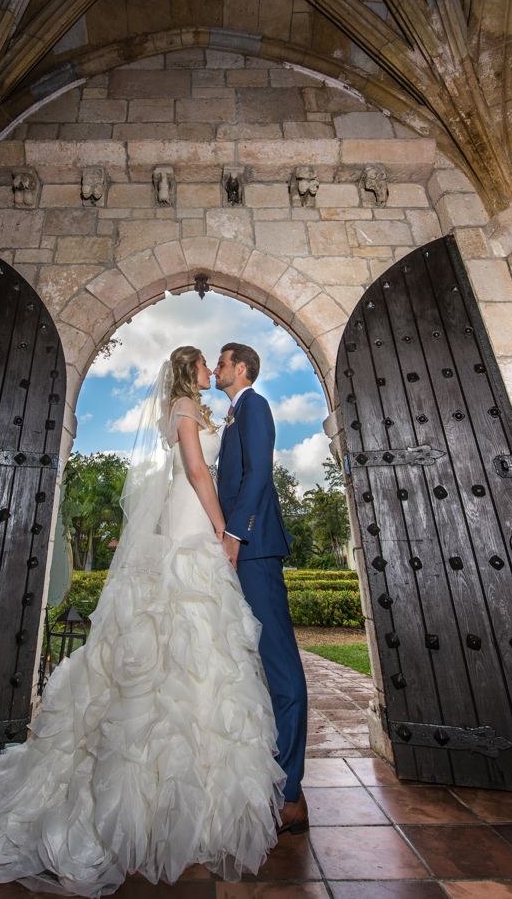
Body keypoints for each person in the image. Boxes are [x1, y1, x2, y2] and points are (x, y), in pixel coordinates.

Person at [0, 346, 285, 896]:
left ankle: (191, 795)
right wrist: (223, 530)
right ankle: (159, 802)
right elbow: (197, 470)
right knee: (182, 632)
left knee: (193, 640)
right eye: (204, 365)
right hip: (193, 521)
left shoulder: (206, 410)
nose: (211, 372)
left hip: (191, 516)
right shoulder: (184, 409)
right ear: (190, 369)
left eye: (217, 365)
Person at [214, 343, 309, 835]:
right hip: (238, 548)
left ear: (242, 367)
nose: (215, 369)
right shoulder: (233, 413)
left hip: (253, 549)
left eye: (222, 362)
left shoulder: (255, 405)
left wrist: (235, 534)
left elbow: (259, 476)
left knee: (282, 669)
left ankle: (291, 793)